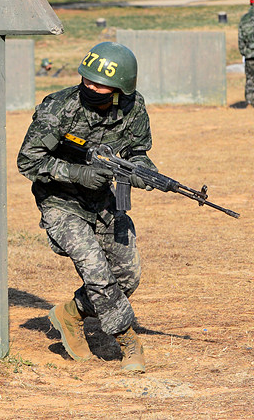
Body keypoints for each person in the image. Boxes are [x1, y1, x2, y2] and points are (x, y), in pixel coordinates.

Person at [17, 41, 156, 373]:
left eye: (100, 84)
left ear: (122, 88)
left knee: (127, 276)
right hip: (60, 201)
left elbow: (138, 150)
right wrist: (77, 172)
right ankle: (128, 342)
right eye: (87, 80)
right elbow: (28, 161)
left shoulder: (133, 108)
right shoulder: (59, 109)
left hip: (103, 201)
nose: (91, 87)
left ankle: (71, 314)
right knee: (96, 270)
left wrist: (141, 171)